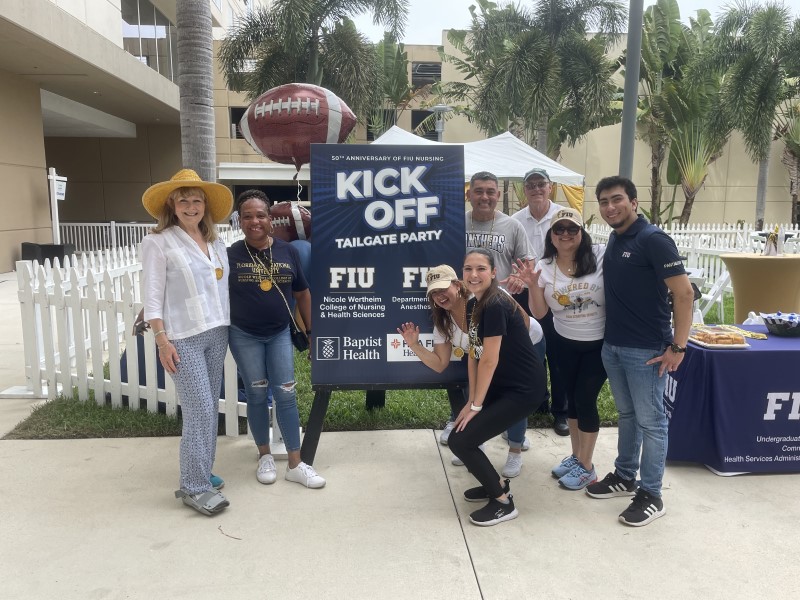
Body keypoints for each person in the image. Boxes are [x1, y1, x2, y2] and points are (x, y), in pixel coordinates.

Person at [585, 176, 693, 527]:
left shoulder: (652, 239)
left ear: (633, 201)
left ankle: (651, 494)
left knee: (652, 422)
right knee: (627, 416)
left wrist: (678, 345)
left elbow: (685, 294)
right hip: (613, 346)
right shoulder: (616, 239)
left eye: (617, 199)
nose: (610, 207)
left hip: (646, 350)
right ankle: (625, 475)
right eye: (603, 202)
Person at [140, 168, 233, 516]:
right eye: (184, 200)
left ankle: (203, 472)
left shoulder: (215, 242)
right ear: (172, 204)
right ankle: (193, 486)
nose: (191, 206)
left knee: (210, 404)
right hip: (181, 337)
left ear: (205, 205)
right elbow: (152, 296)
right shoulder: (158, 242)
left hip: (216, 331)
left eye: (196, 200)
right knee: (200, 410)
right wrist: (162, 340)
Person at [397, 265, 545, 478]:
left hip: (527, 344)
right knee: (476, 399)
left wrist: (494, 357)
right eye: (434, 293)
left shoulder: (487, 298)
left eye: (443, 289)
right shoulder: (443, 320)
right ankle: (478, 443)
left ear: (457, 285)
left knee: (515, 400)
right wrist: (414, 345)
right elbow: (440, 364)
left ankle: (515, 450)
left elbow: (521, 321)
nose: (440, 296)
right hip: (488, 359)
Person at [227, 190, 326, 489]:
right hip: (244, 335)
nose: (254, 221)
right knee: (257, 394)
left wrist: (312, 332)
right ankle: (264, 455)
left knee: (285, 393)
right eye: (247, 216)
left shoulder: (288, 251)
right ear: (240, 221)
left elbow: (302, 294)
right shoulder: (229, 254)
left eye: (260, 215)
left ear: (271, 219)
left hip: (279, 333)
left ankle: (295, 463)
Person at [447, 249, 547, 527]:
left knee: (461, 441)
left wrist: (477, 404)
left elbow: (490, 359)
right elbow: (474, 354)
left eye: (481, 269)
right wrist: (471, 400)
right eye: (468, 269)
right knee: (462, 436)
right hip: (503, 386)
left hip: (523, 389)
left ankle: (503, 501)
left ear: (493, 273)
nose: (474, 274)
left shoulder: (496, 304)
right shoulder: (472, 304)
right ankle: (495, 483)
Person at [516, 208, 607, 490]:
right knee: (570, 400)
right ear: (551, 237)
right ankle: (577, 457)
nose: (566, 234)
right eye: (559, 230)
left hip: (598, 343)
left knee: (585, 398)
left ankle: (588, 468)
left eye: (572, 229)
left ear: (582, 233)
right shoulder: (543, 266)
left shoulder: (601, 255)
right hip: (564, 342)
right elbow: (540, 312)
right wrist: (532, 285)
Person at [512, 168, 569, 436]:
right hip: (524, 294)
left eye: (541, 184)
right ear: (525, 190)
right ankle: (538, 402)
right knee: (530, 350)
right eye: (531, 185)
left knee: (557, 354)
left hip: (556, 293)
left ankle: (561, 412)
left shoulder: (563, 217)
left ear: (550, 187)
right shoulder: (515, 221)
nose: (536, 189)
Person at [465, 171, 533, 294]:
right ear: (469, 194)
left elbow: (528, 261)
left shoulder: (513, 226)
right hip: (462, 302)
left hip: (498, 303)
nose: (485, 197)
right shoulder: (456, 225)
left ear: (498, 195)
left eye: (490, 192)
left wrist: (518, 277)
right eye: (479, 191)